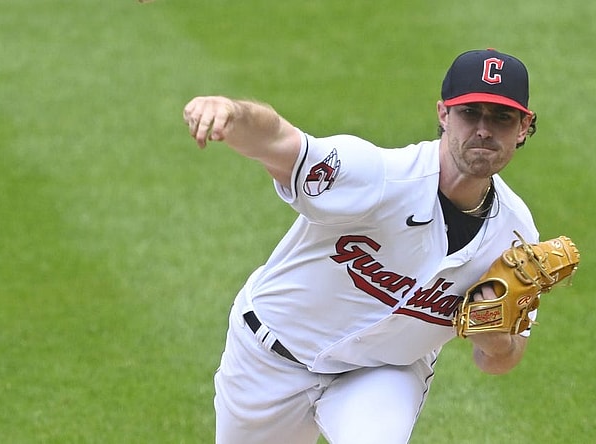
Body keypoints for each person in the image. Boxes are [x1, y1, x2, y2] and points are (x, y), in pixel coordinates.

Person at [183, 48, 540, 444]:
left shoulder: (516, 235)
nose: (484, 130)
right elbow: (283, 142)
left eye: (502, 117)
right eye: (470, 113)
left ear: (524, 126)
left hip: (382, 373)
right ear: (443, 114)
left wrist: (494, 339)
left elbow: (503, 359)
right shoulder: (380, 176)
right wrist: (231, 113)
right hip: (269, 358)